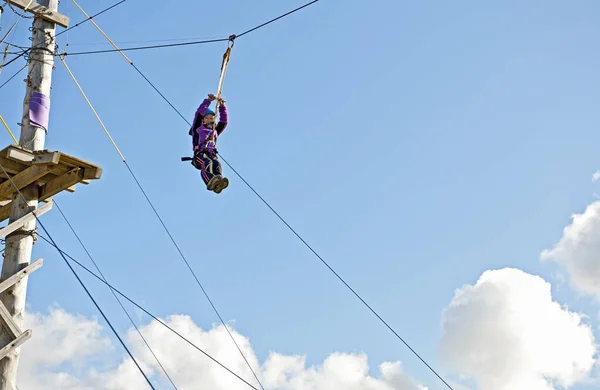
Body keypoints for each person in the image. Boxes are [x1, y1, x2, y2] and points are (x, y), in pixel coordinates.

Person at [188, 93, 229, 193]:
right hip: (200, 154)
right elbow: (198, 114)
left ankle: (218, 181)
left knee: (216, 163)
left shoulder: (214, 131)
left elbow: (224, 122)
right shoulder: (198, 128)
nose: (210, 120)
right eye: (208, 118)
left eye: (212, 118)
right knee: (207, 162)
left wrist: (222, 107)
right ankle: (209, 180)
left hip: (212, 154)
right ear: (203, 120)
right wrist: (208, 101)